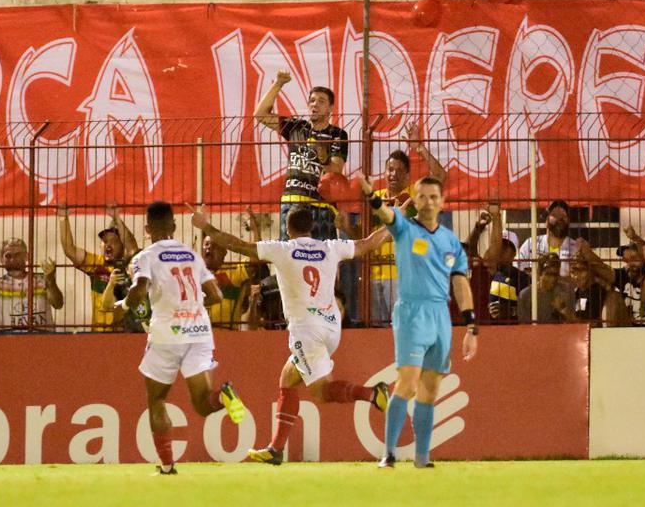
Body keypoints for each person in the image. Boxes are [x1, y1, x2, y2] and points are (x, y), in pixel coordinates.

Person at [191, 204, 390, 465]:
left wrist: (205, 226)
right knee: (287, 379)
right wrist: (393, 223)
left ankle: (372, 394)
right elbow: (367, 243)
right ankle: (275, 449)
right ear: (312, 227)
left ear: (287, 227)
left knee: (321, 391)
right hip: (332, 327)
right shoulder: (329, 247)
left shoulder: (283, 250)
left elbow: (239, 245)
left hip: (306, 331)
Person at [120, 201, 246, 475]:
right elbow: (216, 295)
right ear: (174, 226)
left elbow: (139, 289)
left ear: (147, 229)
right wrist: (191, 307)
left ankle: (167, 466)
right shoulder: (192, 255)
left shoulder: (145, 257)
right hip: (199, 332)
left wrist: (125, 304)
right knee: (203, 403)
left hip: (167, 335)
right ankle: (224, 396)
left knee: (156, 400)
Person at [359, 175, 477, 468]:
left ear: (442, 202)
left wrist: (471, 326)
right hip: (412, 312)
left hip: (440, 315)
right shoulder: (404, 228)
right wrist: (372, 196)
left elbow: (460, 283)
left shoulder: (451, 241)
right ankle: (388, 453)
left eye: (433, 197)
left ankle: (422, 459)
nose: (428, 202)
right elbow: (386, 214)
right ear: (415, 199)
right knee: (408, 383)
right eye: (422, 196)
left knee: (430, 389)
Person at [254, 69, 349, 241]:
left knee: (322, 254)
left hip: (320, 205)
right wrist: (278, 84)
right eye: (312, 101)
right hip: (292, 202)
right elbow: (260, 114)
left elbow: (336, 169)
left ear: (330, 108)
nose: (315, 104)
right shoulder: (296, 127)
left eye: (321, 101)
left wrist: (323, 157)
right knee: (290, 253)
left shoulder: (337, 134)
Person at [369, 127, 448, 322]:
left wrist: (419, 147)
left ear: (407, 175)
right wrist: (346, 226)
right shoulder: (375, 198)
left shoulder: (414, 195)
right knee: (377, 330)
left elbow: (440, 176)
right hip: (374, 274)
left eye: (399, 170)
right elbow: (362, 235)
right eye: (390, 169)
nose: (393, 174)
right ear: (384, 172)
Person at [58, 203, 140, 331]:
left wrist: (117, 218)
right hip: (99, 333)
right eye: (105, 241)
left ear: (122, 245)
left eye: (114, 241)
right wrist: (63, 218)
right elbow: (69, 250)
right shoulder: (96, 263)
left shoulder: (129, 265)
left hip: (124, 333)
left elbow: (133, 248)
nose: (108, 245)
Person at [0, 237, 63, 331]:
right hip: (9, 340)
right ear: (1, 259)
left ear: (26, 256)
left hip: (42, 339)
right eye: (8, 256)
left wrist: (51, 281)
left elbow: (58, 304)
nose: (12, 259)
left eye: (17, 255)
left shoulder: (42, 280)